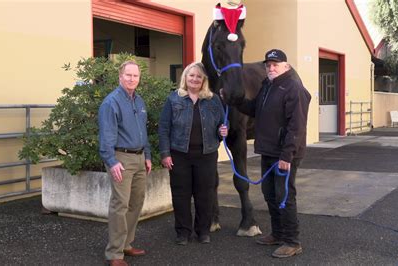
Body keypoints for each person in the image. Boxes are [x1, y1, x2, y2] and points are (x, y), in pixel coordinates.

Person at [236, 49, 311, 258]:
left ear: (285, 66)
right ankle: (277, 234)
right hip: (268, 151)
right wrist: (235, 100)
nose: (271, 68)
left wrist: (287, 155)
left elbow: (297, 126)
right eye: (268, 65)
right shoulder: (268, 86)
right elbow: (254, 109)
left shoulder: (293, 88)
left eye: (275, 64)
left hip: (285, 155)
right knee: (270, 194)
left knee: (285, 196)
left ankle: (292, 241)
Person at [158, 62, 228, 245]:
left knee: (205, 195)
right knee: (181, 195)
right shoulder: (174, 99)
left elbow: (221, 124)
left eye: (199, 76)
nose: (195, 79)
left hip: (207, 154)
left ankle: (203, 231)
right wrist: (165, 154)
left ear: (203, 80)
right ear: (185, 78)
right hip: (179, 154)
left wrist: (222, 133)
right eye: (191, 75)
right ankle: (183, 232)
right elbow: (164, 128)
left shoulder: (213, 100)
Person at [99, 60, 152, 266]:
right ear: (120, 77)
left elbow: (143, 132)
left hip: (139, 158)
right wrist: (111, 161)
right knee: (120, 205)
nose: (132, 79)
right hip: (120, 159)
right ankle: (114, 254)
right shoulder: (111, 103)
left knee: (136, 202)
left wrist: (147, 155)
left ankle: (126, 244)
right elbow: (106, 136)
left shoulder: (139, 101)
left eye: (135, 76)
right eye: (128, 75)